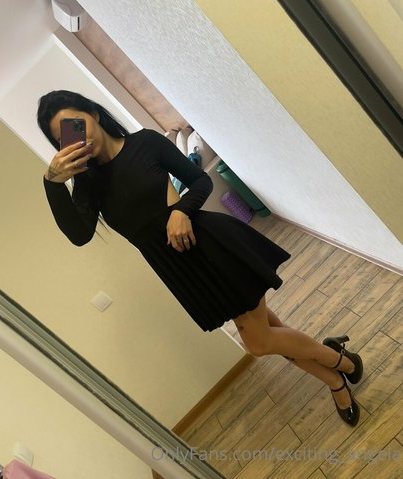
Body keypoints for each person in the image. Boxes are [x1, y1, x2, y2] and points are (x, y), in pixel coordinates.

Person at [37, 90, 363, 426]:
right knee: (269, 332)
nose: (76, 137)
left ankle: (342, 366)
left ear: (93, 113)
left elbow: (200, 181)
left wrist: (181, 211)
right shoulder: (88, 184)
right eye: (64, 137)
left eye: (76, 124)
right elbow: (79, 235)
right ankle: (334, 372)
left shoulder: (145, 143)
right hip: (180, 269)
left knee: (258, 342)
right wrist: (52, 183)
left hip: (210, 246)